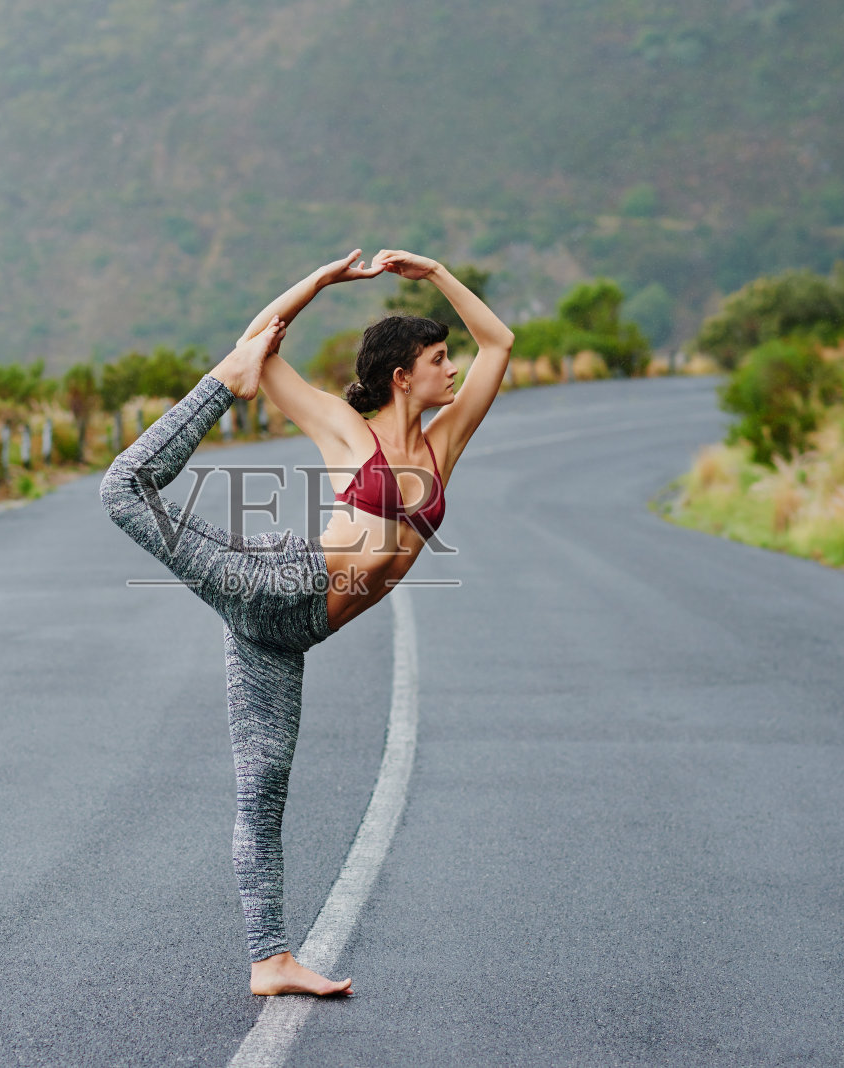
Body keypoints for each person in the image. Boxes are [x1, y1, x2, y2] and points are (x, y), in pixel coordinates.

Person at [100, 249, 513, 996]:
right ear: (401, 376)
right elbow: (259, 340)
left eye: (451, 360)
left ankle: (270, 963)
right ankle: (212, 396)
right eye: (439, 359)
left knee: (264, 786)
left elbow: (501, 345)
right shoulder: (345, 431)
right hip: (277, 579)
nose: (452, 370)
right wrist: (321, 282)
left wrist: (439, 273)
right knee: (126, 491)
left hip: (291, 632)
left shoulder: (443, 442)